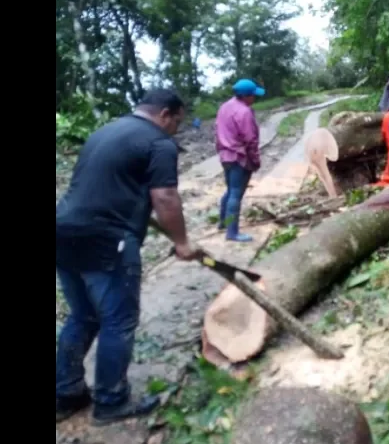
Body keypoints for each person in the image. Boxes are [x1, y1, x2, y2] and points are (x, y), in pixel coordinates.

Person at [56, 88, 202, 425]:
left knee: (82, 316)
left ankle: (65, 394)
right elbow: (165, 197)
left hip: (64, 232)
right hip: (106, 242)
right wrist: (182, 242)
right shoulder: (158, 143)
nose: (175, 130)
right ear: (166, 114)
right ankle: (110, 402)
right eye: (176, 122)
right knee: (117, 321)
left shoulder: (104, 132)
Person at [215, 78, 266, 242]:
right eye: (253, 96)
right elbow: (250, 140)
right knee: (236, 194)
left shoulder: (225, 107)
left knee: (230, 190)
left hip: (225, 155)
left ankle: (223, 222)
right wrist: (255, 160)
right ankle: (232, 232)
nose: (255, 99)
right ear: (246, 96)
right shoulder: (244, 112)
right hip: (239, 157)